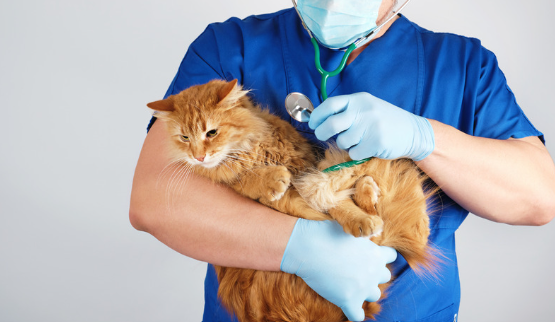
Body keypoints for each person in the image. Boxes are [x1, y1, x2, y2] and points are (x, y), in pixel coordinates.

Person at [129, 0, 555, 321]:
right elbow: (154, 199)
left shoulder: (461, 66)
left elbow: (539, 197)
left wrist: (422, 137)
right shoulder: (229, 49)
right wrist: (297, 247)